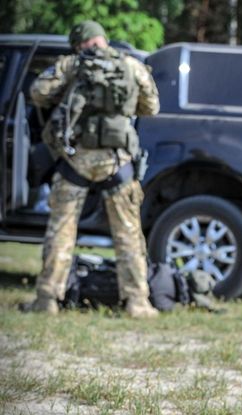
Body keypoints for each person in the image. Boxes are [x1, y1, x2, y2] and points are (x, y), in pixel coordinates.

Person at [23, 20, 160, 318]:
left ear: (78, 43)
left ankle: (47, 299)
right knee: (128, 234)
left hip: (76, 160)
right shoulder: (131, 65)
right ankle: (138, 302)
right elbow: (151, 107)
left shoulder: (71, 64)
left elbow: (37, 92)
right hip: (118, 162)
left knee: (61, 231)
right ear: (102, 39)